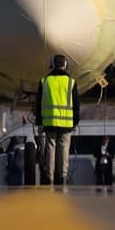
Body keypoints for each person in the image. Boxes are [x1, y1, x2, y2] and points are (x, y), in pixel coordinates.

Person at [35, 54, 80, 185]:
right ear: (65, 65)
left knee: (50, 148)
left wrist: (39, 121)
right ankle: (63, 176)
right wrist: (75, 121)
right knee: (64, 149)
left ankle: (49, 176)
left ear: (53, 65)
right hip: (66, 123)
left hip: (49, 122)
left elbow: (39, 104)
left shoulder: (44, 81)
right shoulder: (71, 82)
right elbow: (76, 104)